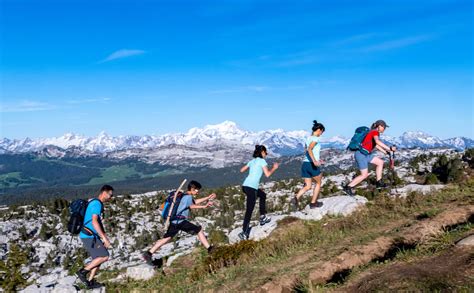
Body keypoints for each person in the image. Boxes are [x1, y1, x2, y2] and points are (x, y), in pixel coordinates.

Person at [142, 180, 216, 265]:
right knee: (198, 230)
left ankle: (149, 253)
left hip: (173, 221)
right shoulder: (188, 197)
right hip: (180, 221)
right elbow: (192, 205)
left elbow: (193, 202)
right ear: (192, 188)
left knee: (167, 238)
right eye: (196, 190)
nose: (197, 191)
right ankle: (210, 249)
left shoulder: (182, 195)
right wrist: (204, 206)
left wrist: (207, 197)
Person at [343, 120, 396, 196]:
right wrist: (390, 148)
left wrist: (386, 152)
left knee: (380, 162)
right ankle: (348, 187)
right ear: (379, 126)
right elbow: (377, 142)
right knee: (364, 175)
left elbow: (376, 145)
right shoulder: (375, 132)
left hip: (365, 154)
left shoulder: (372, 132)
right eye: (384, 127)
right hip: (361, 154)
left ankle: (379, 182)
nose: (384, 129)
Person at [76, 185, 114, 289]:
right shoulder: (97, 204)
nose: (111, 197)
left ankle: (90, 281)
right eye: (110, 195)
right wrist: (104, 238)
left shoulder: (95, 202)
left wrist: (103, 236)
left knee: (98, 258)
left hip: (91, 235)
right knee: (104, 256)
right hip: (89, 235)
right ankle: (82, 272)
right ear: (104, 193)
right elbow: (94, 221)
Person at [239, 145, 279, 240]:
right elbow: (268, 174)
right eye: (266, 152)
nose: (266, 154)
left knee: (262, 195)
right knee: (249, 210)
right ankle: (244, 232)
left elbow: (241, 170)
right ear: (262, 153)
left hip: (245, 186)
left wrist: (252, 171)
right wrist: (274, 168)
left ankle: (262, 216)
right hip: (251, 187)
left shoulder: (252, 161)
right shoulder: (262, 161)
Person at [291, 120, 325, 210]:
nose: (321, 134)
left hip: (305, 164)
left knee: (308, 186)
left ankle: (296, 198)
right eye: (322, 132)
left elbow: (309, 151)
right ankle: (313, 203)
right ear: (319, 130)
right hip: (311, 164)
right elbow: (309, 149)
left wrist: (318, 160)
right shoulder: (315, 138)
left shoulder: (308, 138)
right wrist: (314, 161)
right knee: (318, 182)